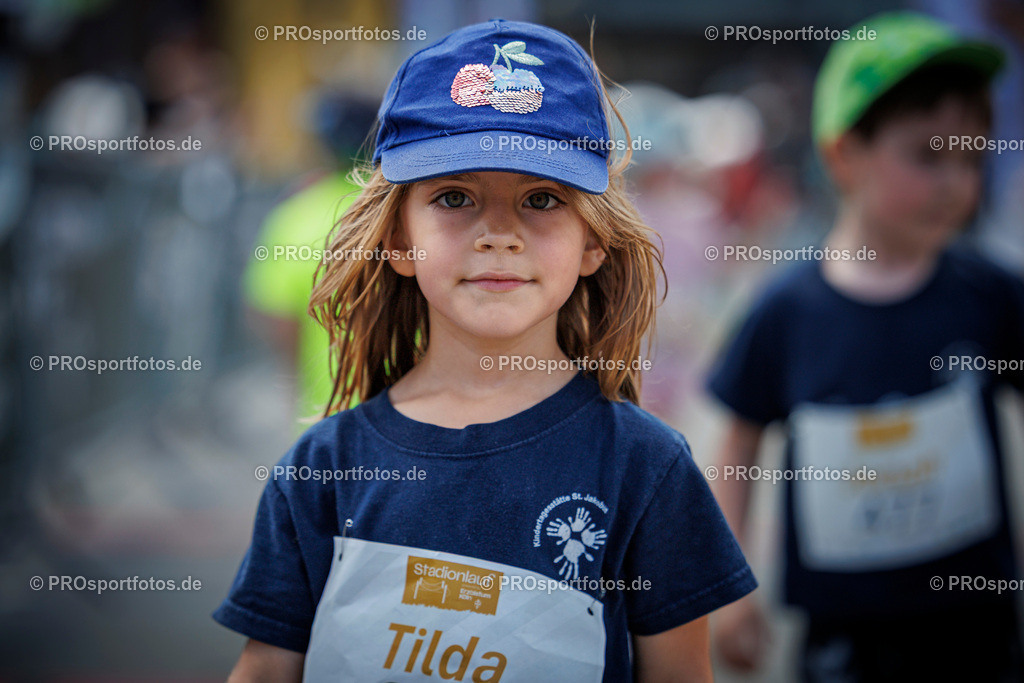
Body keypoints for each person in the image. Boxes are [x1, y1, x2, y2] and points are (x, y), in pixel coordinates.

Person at [214, 19, 756, 682]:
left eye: (541, 198)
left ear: (593, 241)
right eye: (454, 196)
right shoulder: (320, 470)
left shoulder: (648, 469)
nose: (499, 233)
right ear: (398, 240)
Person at [707, 11, 1024, 682]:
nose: (955, 182)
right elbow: (738, 441)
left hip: (980, 631)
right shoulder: (786, 312)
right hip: (841, 643)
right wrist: (731, 585)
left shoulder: (992, 295)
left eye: (972, 158)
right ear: (844, 155)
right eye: (928, 155)